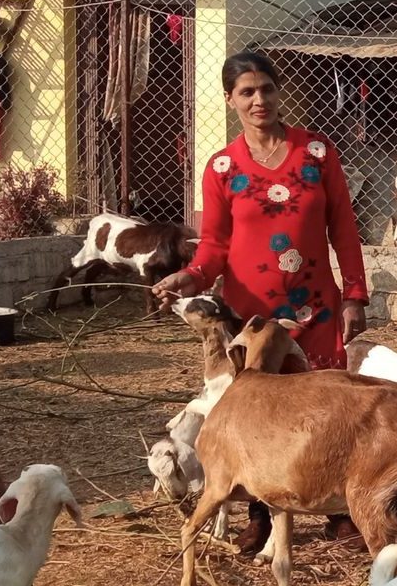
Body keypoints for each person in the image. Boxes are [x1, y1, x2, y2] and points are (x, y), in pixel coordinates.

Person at [152, 50, 368, 368]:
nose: (259, 100)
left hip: (314, 312)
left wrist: (354, 295)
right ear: (230, 99)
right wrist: (189, 276)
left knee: (319, 410)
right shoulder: (222, 168)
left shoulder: (317, 153)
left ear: (278, 91)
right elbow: (214, 245)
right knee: (258, 411)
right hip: (250, 321)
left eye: (267, 89)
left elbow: (344, 231)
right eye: (247, 92)